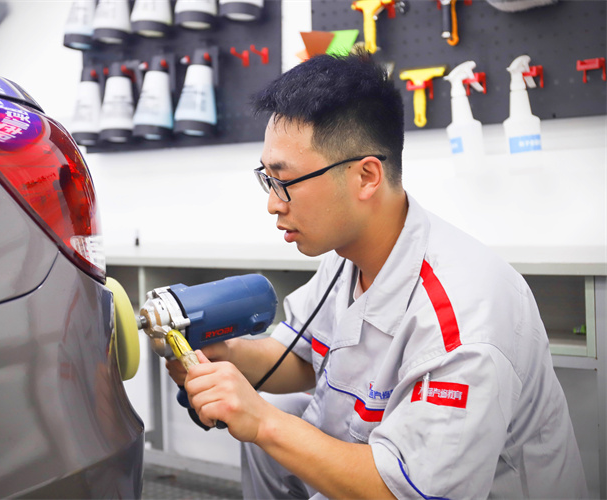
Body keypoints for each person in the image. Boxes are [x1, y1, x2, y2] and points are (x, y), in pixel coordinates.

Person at [167, 51, 588, 499]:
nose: (273, 203)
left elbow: (408, 491)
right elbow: (302, 357)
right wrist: (224, 356)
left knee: (269, 421)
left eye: (284, 180)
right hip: (383, 452)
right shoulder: (348, 255)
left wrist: (263, 422)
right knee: (272, 414)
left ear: (366, 176)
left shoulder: (463, 318)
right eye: (266, 178)